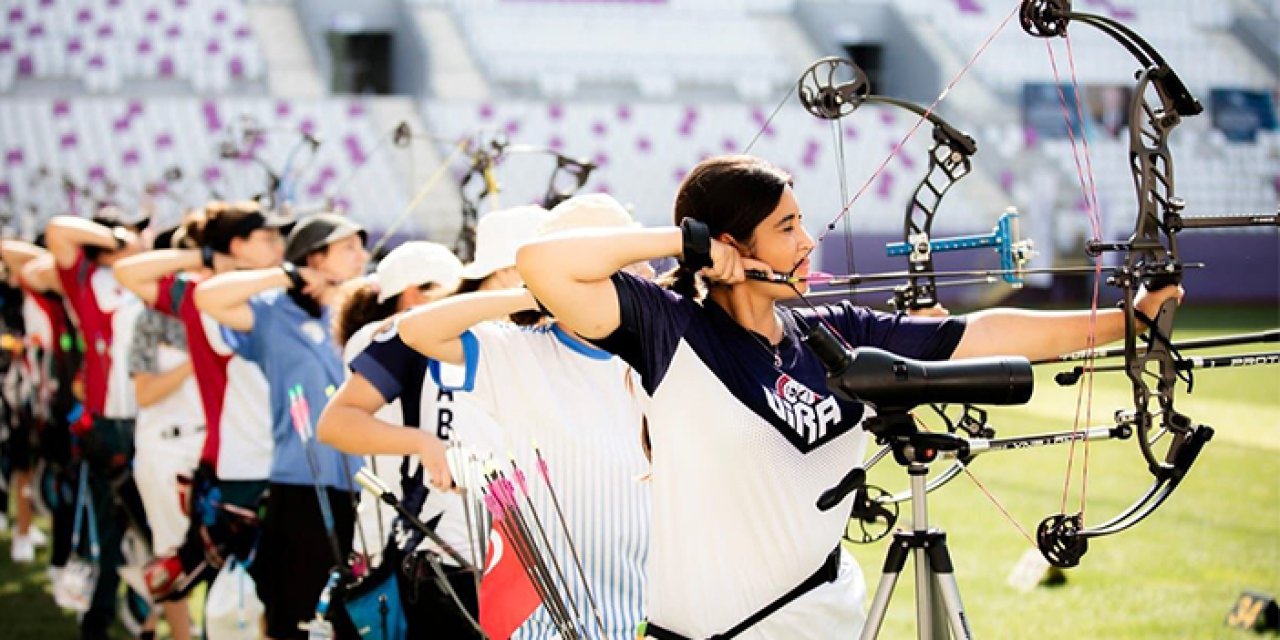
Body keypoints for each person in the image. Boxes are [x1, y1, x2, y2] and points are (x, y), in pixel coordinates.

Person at [515, 155, 1184, 639]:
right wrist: (686, 244)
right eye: (787, 227)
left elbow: (970, 335)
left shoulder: (832, 332)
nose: (809, 241)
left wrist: (1129, 319)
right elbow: (540, 264)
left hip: (828, 619)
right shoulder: (670, 328)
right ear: (731, 243)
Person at [389, 196, 654, 639]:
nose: (643, 272)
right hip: (546, 620)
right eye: (620, 259)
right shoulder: (513, 348)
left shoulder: (661, 347)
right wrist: (541, 291)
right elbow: (415, 330)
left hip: (648, 611)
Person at [195, 212, 369, 640]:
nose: (361, 256)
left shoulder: (363, 307)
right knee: (295, 612)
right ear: (314, 257)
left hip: (367, 486)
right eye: (347, 248)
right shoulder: (276, 313)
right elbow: (209, 297)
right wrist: (287, 275)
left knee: (356, 615)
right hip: (302, 484)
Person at [114, 201, 287, 600]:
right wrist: (207, 256)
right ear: (237, 245)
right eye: (267, 238)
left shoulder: (276, 292)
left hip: (281, 460)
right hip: (234, 462)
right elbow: (127, 272)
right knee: (228, 589)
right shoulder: (198, 295)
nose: (279, 245)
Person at [320, 239, 486, 637]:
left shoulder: (389, 336)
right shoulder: (389, 337)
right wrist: (423, 443)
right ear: (416, 292)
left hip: (401, 522)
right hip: (404, 524)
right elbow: (338, 424)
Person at [43, 209, 152, 640]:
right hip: (108, 425)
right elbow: (57, 230)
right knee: (110, 529)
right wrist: (115, 238)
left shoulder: (140, 279)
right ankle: (98, 621)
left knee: (158, 531)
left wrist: (128, 248)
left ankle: (151, 619)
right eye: (129, 234)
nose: (139, 238)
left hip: (150, 420)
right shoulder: (85, 278)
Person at [125, 226, 207, 640]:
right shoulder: (150, 319)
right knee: (173, 555)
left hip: (213, 447)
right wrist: (199, 359)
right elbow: (145, 390)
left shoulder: (224, 311)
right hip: (166, 448)